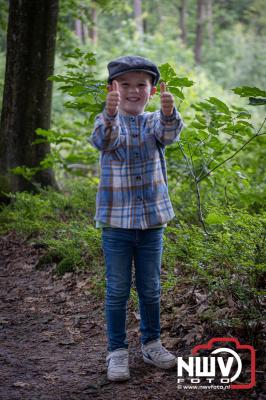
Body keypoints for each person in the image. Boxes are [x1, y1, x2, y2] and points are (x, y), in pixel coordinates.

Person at [90, 55, 184, 381]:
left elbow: (169, 134)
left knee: (151, 287)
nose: (133, 91)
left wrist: (170, 112)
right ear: (111, 89)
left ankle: (152, 343)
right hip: (116, 224)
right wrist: (111, 112)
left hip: (152, 224)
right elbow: (103, 140)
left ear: (153, 90)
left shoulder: (155, 121)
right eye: (125, 84)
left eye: (141, 85)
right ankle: (117, 351)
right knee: (117, 289)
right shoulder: (106, 122)